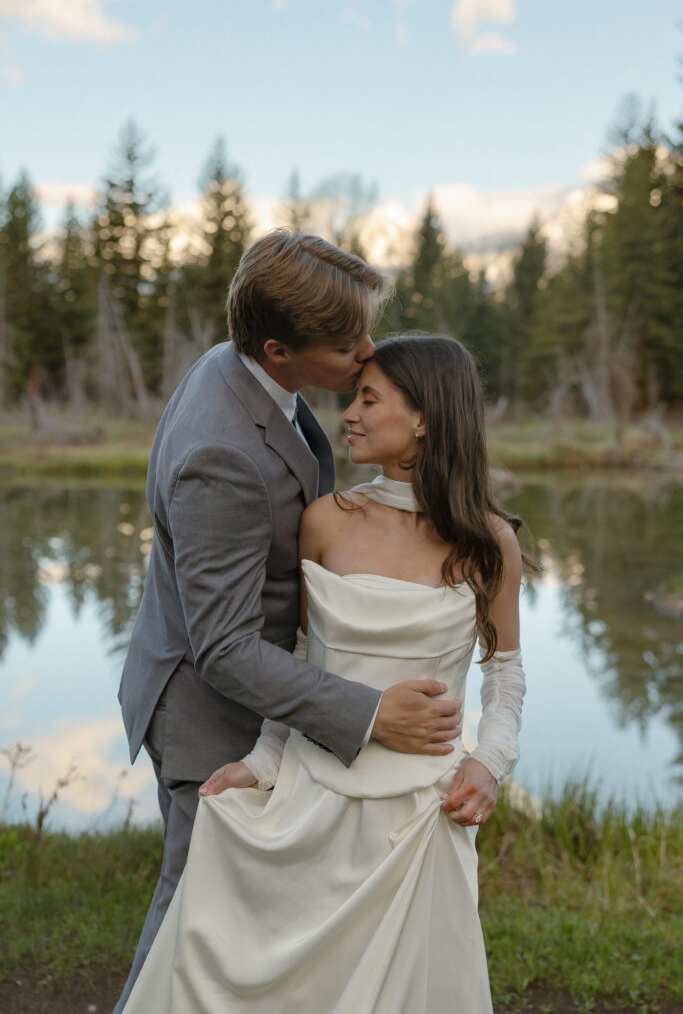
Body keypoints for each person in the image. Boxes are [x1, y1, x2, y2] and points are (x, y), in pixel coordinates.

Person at [121, 334, 530, 1014]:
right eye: (352, 398)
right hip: (311, 800)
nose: (348, 414)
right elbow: (299, 659)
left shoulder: (488, 543)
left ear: (424, 417)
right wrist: (261, 762)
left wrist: (488, 761)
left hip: (417, 817)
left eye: (369, 399)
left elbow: (507, 676)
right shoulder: (325, 523)